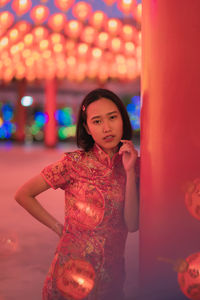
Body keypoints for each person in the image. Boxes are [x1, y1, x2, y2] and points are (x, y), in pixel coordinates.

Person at [15, 88, 140, 300]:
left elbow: (132, 224)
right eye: (97, 121)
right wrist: (58, 228)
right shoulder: (73, 164)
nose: (107, 128)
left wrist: (129, 171)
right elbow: (24, 194)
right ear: (87, 128)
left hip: (111, 277)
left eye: (112, 117)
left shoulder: (134, 165)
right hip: (70, 274)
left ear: (122, 118)